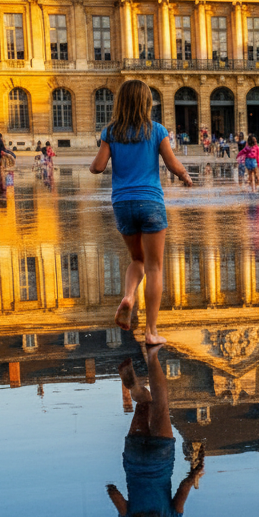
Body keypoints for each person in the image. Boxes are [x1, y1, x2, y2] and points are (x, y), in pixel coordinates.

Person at [89, 78, 193, 347]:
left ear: (120, 103)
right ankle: (151, 331)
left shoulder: (111, 132)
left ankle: (128, 297)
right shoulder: (157, 131)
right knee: (155, 267)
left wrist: (102, 149)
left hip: (123, 204)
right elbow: (171, 164)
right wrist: (184, 175)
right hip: (150, 203)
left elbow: (97, 167)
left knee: (137, 260)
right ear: (147, 103)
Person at [107, 348, 205, 517]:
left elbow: (185, 486)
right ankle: (134, 388)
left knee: (160, 402)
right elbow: (112, 492)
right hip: (134, 458)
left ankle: (152, 356)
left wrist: (196, 471)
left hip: (161, 456)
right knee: (143, 405)